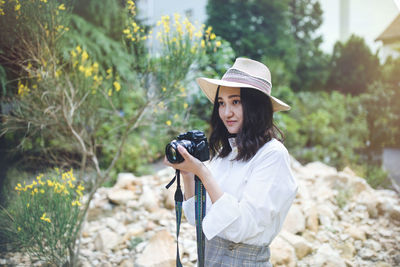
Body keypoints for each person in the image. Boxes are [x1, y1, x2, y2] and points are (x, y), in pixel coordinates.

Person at [164, 57, 298, 266]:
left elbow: (242, 227)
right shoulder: (226, 153)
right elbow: (197, 219)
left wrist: (203, 172)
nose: (227, 113)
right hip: (209, 258)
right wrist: (189, 174)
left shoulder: (273, 155)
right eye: (221, 103)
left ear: (256, 106)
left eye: (235, 102)